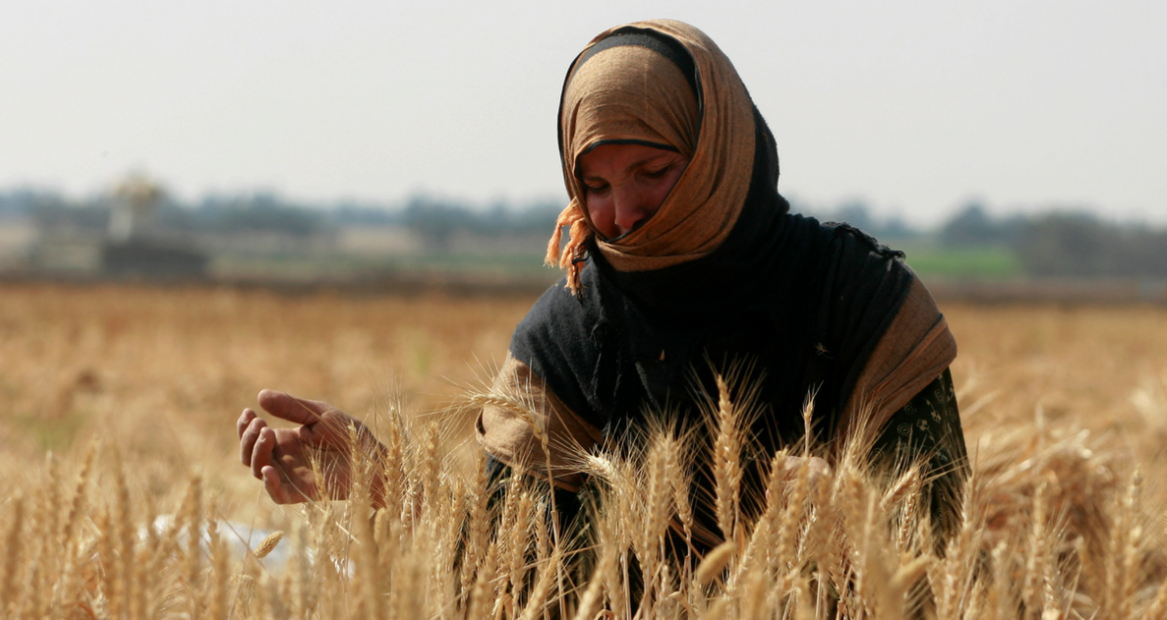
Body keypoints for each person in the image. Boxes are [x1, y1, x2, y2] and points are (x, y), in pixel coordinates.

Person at [237, 19, 967, 547]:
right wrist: (386, 489)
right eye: (595, 185)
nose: (622, 214)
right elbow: (512, 570)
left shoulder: (860, 303)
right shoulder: (568, 336)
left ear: (720, 153)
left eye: (653, 172)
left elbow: (926, 555)